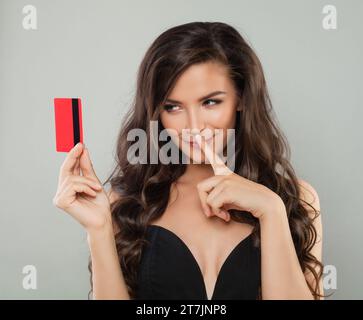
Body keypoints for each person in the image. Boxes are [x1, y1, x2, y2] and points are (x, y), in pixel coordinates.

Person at [53, 21, 324, 300]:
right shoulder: (128, 204)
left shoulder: (296, 199)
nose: (193, 125)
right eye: (173, 107)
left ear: (241, 98)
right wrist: (98, 230)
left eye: (210, 102)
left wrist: (271, 210)